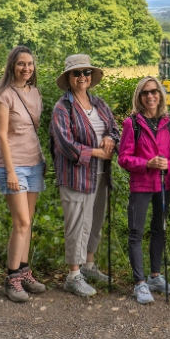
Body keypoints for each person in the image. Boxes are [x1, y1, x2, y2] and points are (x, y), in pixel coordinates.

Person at [50, 54, 120, 298]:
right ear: (68, 78)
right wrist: (98, 151)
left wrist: (111, 138)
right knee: (77, 224)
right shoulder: (63, 107)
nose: (82, 77)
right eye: (76, 73)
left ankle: (88, 266)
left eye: (86, 72)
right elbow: (65, 144)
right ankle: (73, 275)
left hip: (100, 174)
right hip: (75, 175)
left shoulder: (99, 103)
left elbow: (113, 127)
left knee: (95, 222)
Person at [118, 76, 170, 304]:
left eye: (154, 91)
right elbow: (123, 158)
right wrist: (147, 163)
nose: (150, 96)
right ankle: (139, 283)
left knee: (160, 230)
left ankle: (155, 276)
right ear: (139, 97)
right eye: (145, 93)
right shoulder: (132, 124)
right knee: (136, 233)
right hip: (141, 186)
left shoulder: (169, 123)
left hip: (164, 185)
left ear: (160, 95)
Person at [0, 46, 48, 303]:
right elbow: (1, 135)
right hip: (13, 166)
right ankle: (12, 277)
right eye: (21, 64)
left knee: (29, 223)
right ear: (12, 65)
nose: (26, 68)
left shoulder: (34, 92)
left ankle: (24, 271)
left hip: (34, 162)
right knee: (21, 223)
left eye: (30, 64)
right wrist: (11, 170)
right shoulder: (4, 96)